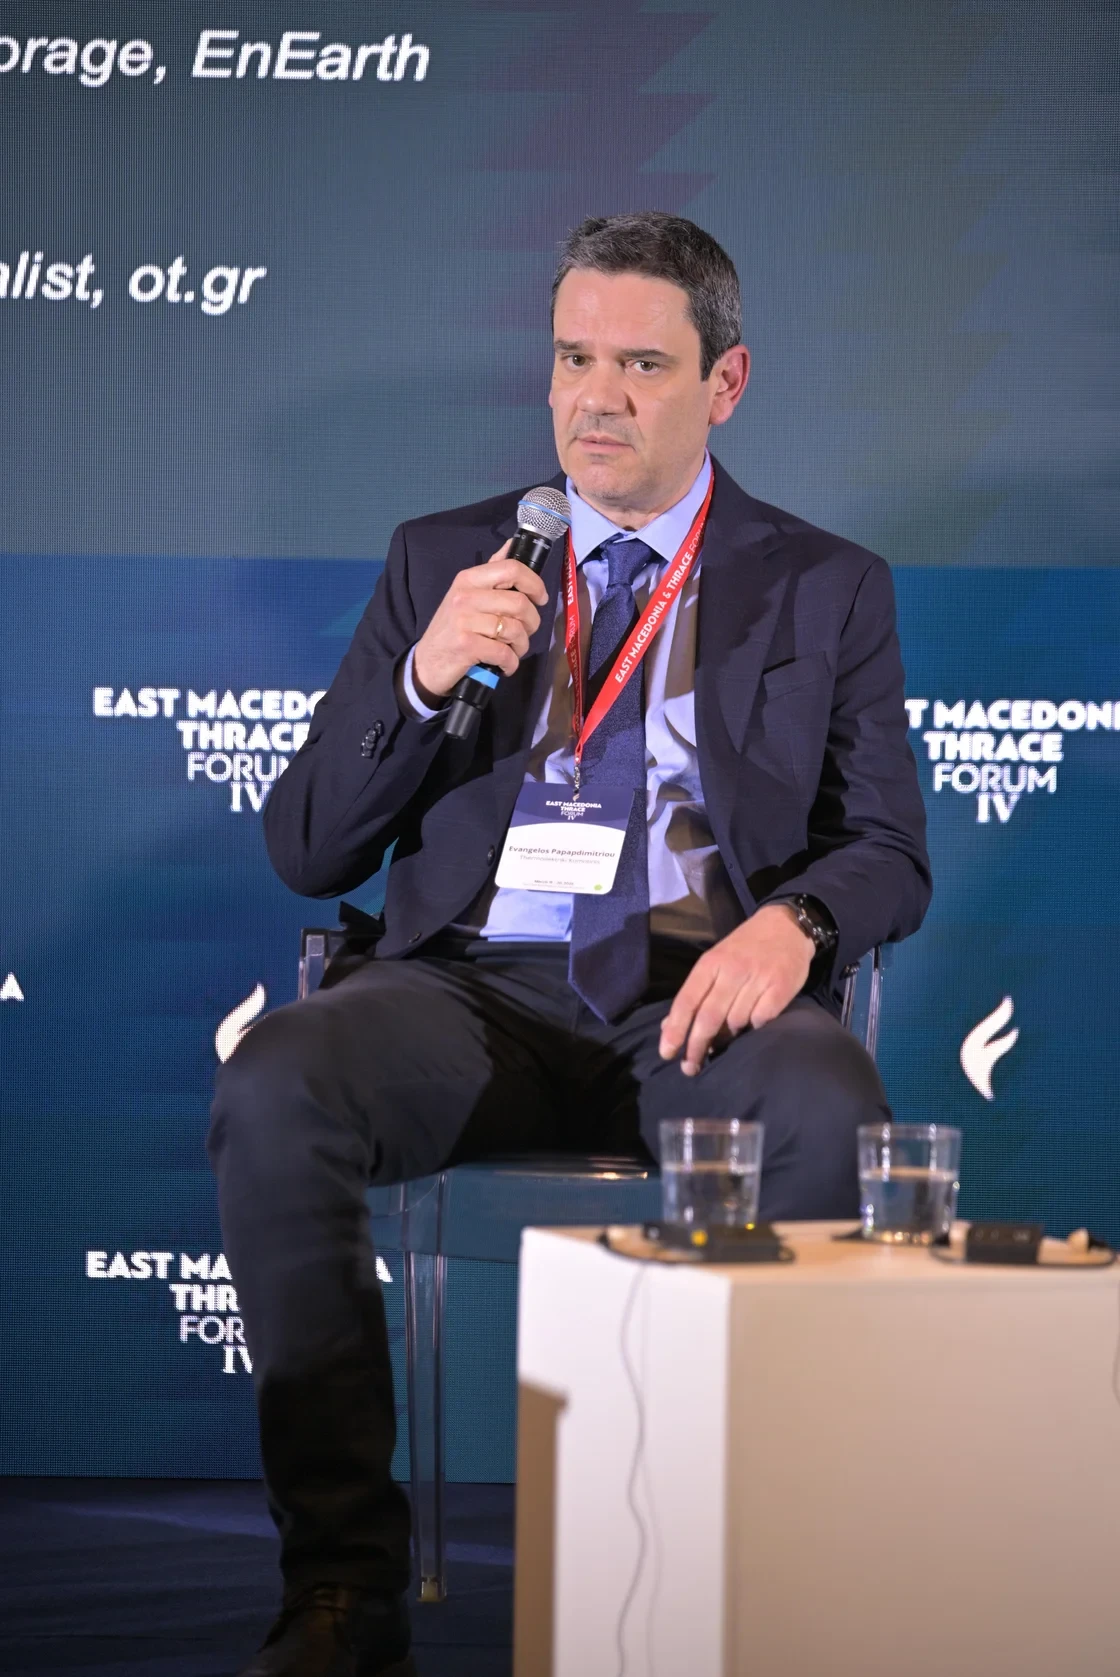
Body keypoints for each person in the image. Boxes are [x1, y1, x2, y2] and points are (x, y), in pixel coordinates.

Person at [209, 210, 931, 1676]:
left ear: (725, 383)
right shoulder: (446, 560)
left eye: (641, 365)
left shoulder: (825, 582)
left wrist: (797, 923)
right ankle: (339, 1591)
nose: (596, 397)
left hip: (697, 997)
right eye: (572, 359)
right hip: (468, 996)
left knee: (826, 1101)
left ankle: (771, 1586)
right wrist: (423, 680)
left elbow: (887, 845)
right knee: (280, 1079)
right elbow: (308, 850)